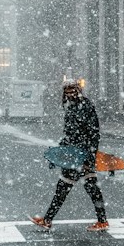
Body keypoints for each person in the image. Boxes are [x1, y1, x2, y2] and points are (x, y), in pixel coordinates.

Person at [32, 83, 109, 232]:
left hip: (81, 155)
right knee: (87, 187)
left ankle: (48, 220)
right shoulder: (73, 107)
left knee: (66, 187)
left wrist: (89, 157)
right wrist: (59, 153)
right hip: (73, 154)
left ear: (78, 92)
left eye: (72, 92)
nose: (69, 95)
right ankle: (102, 221)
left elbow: (93, 133)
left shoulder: (85, 106)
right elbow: (69, 134)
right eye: (67, 92)